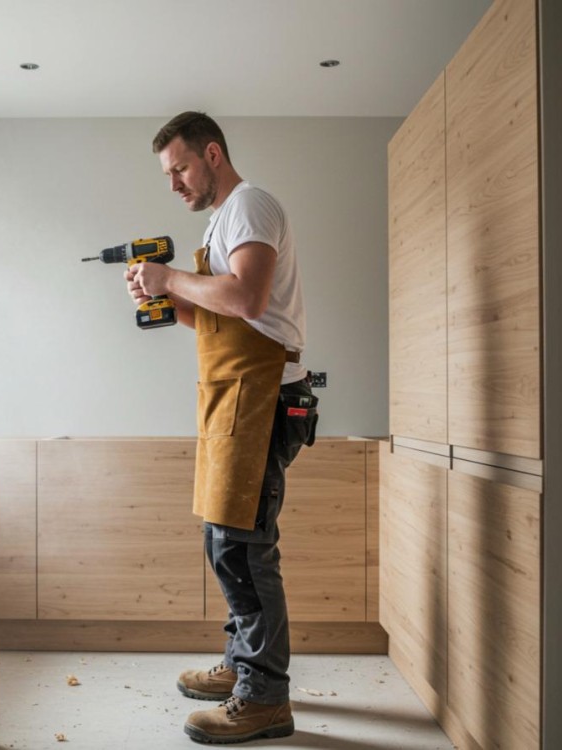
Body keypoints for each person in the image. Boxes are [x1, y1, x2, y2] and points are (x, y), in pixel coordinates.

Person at [126, 111, 317, 744]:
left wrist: (171, 276)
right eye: (167, 174)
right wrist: (165, 298)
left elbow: (248, 299)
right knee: (223, 539)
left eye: (179, 168)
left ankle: (265, 696)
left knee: (244, 545)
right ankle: (243, 666)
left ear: (212, 154)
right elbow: (219, 320)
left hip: (262, 397)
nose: (174, 183)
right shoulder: (220, 222)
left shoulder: (250, 205)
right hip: (233, 396)